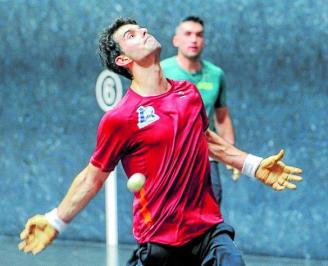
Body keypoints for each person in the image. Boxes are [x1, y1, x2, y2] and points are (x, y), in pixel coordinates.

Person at [18, 18, 303, 266]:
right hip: (160, 242)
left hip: (208, 231)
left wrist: (253, 165)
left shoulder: (188, 94)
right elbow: (93, 177)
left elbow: (207, 141)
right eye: (131, 35)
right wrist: (55, 220)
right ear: (122, 60)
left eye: (141, 28)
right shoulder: (121, 118)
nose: (142, 31)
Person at [161, 16, 238, 205]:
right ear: (176, 40)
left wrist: (232, 155)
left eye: (199, 35)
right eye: (188, 34)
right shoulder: (160, 71)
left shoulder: (216, 74)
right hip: (169, 159)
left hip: (206, 155)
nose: (194, 39)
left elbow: (222, 117)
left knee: (210, 214)